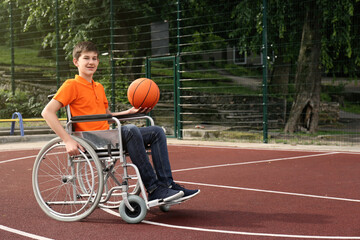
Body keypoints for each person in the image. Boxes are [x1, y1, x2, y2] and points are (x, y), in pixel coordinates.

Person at [42, 41, 200, 203]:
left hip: (107, 136)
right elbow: (47, 112)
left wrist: (130, 112)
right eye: (86, 58)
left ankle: (168, 185)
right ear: (76, 62)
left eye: (95, 58)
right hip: (90, 139)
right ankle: (153, 188)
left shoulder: (98, 87)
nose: (91, 62)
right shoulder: (71, 85)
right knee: (130, 130)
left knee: (156, 132)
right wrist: (67, 140)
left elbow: (107, 116)